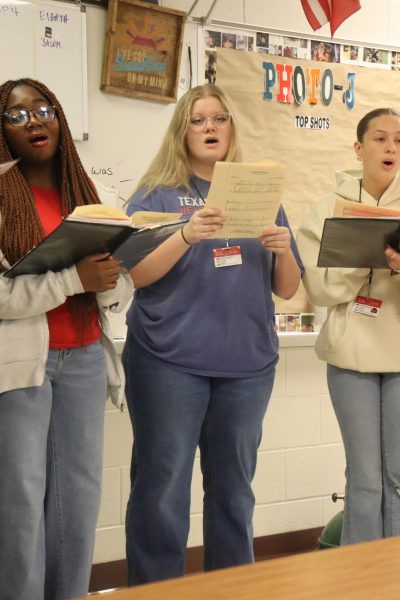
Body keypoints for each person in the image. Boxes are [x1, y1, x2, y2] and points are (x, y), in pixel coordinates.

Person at [123, 83, 303, 585]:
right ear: (182, 131)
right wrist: (186, 234)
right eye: (198, 120)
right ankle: (156, 592)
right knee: (162, 488)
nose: (209, 128)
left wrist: (284, 247)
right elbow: (134, 275)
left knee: (233, 491)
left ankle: (232, 590)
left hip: (247, 365)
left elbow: (287, 289)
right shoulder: (155, 193)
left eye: (219, 119)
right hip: (167, 361)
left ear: (231, 129)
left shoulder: (259, 191)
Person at [0, 78, 133, 600]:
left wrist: (110, 281)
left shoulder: (86, 196)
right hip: (22, 367)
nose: (33, 120)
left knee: (78, 500)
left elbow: (113, 288)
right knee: (23, 499)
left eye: (44, 108)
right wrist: (73, 279)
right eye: (16, 115)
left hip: (83, 358)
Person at [296, 108, 400, 545]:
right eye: (380, 138)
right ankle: (361, 585)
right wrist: (366, 262)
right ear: (359, 148)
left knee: (397, 479)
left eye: (398, 140)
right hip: (349, 355)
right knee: (365, 479)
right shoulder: (327, 209)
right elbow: (317, 287)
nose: (391, 148)